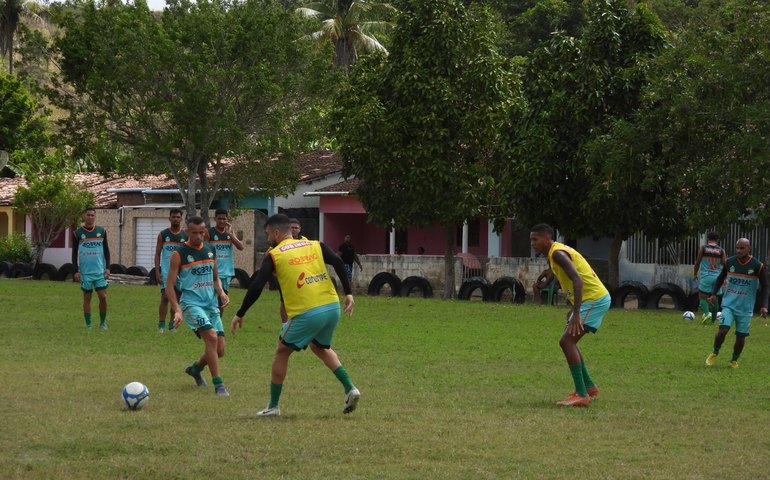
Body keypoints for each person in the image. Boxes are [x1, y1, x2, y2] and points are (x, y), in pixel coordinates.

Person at [231, 213, 359, 417]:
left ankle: (273, 407)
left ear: (275, 232)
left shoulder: (274, 254)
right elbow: (337, 261)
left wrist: (240, 313)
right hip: (331, 306)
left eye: (267, 234)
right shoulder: (315, 244)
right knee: (320, 347)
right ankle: (351, 388)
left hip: (308, 311)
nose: (267, 239)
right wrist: (349, 293)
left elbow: (256, 284)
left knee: (282, 351)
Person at [530, 224, 611, 407]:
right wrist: (546, 280)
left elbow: (577, 279)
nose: (532, 243)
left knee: (567, 341)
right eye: (531, 239)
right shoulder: (554, 254)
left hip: (594, 300)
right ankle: (589, 386)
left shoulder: (558, 253)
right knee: (570, 341)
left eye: (535, 239)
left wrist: (576, 312)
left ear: (547, 238)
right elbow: (560, 272)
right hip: (591, 300)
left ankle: (582, 395)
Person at [166, 216, 231, 397]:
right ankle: (219, 385)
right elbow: (170, 285)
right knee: (211, 337)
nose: (198, 236)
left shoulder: (210, 250)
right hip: (191, 305)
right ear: (188, 232)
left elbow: (215, 277)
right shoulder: (179, 254)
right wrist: (177, 308)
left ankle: (195, 369)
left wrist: (221, 292)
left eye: (202, 232)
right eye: (194, 233)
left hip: (211, 304)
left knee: (219, 350)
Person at [705, 238, 768, 369]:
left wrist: (764, 306)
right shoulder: (729, 262)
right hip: (729, 304)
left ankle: (734, 360)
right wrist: (713, 294)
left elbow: (765, 286)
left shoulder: (758, 265)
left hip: (746, 308)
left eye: (742, 248)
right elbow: (720, 278)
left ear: (749, 249)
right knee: (723, 330)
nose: (739, 250)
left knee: (740, 336)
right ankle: (714, 353)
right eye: (737, 248)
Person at [72, 207, 111, 330]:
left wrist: (108, 268)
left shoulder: (101, 231)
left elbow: (106, 251)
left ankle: (103, 322)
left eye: (92, 215)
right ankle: (88, 324)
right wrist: (76, 271)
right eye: (88, 215)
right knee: (87, 297)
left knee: (103, 297)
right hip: (85, 272)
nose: (90, 217)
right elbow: (74, 253)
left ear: (95, 217)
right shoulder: (77, 233)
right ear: (84, 216)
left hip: (99, 271)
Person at [154, 208, 187, 332]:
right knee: (165, 297)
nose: (176, 219)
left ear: (181, 219)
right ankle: (161, 325)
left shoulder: (185, 236)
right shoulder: (163, 234)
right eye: (173, 217)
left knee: (176, 298)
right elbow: (157, 254)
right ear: (169, 218)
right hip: (166, 271)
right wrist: (157, 271)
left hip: (180, 272)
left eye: (178, 217)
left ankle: (172, 325)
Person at [207, 209, 244, 315]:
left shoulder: (230, 233)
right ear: (215, 219)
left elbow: (241, 247)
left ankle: (218, 325)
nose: (222, 221)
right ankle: (209, 323)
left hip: (226, 273)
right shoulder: (209, 232)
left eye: (224, 219)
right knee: (210, 299)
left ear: (227, 220)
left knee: (222, 301)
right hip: (212, 272)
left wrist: (230, 234)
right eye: (219, 218)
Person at [693, 232, 727, 325]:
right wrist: (724, 278)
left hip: (706, 276)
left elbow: (697, 262)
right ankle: (712, 322)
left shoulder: (703, 248)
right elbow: (725, 265)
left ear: (708, 239)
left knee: (702, 298)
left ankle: (707, 314)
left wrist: (695, 274)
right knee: (715, 298)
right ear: (717, 240)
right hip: (717, 278)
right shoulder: (721, 250)